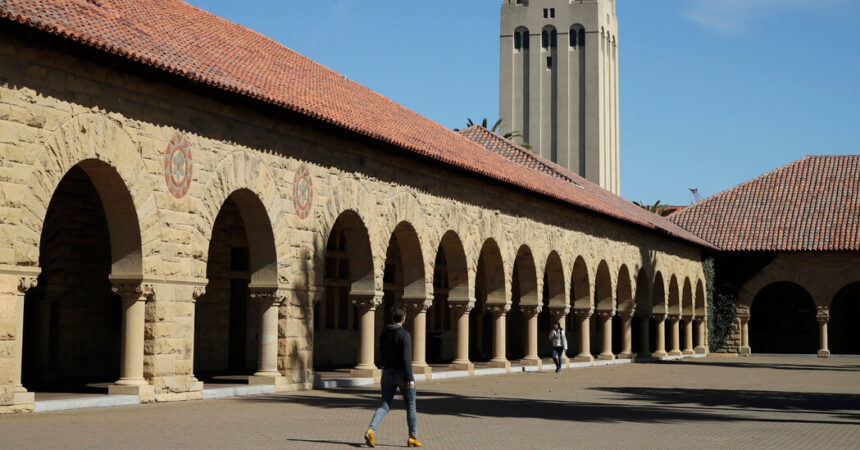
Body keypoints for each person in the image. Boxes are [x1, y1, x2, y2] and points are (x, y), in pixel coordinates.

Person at [365, 306, 422, 448]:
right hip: (403, 374)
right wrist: (410, 379)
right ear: (404, 318)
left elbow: (381, 352)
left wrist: (385, 365)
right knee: (411, 406)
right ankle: (412, 437)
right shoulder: (405, 334)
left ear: (392, 318)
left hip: (388, 372)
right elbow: (406, 359)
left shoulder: (384, 333)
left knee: (384, 405)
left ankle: (371, 430)